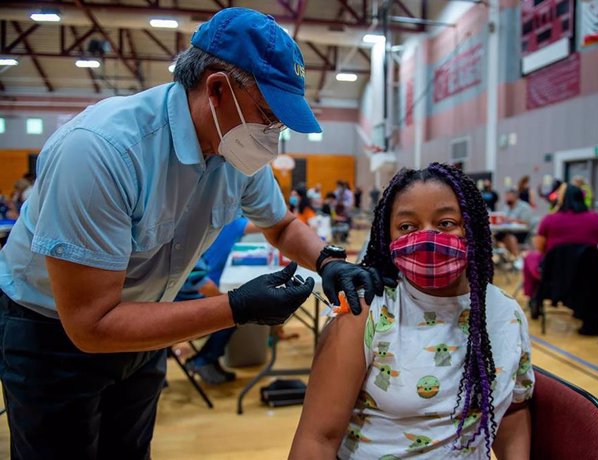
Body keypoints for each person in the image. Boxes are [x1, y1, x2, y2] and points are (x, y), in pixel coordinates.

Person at [0, 8, 384, 459]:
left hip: (145, 325)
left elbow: (280, 225)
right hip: (53, 335)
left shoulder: (234, 148)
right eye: (268, 115)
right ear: (218, 88)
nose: (272, 135)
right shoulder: (102, 151)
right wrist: (237, 308)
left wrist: (328, 259)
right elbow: (91, 325)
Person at [290, 163, 534, 459]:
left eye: (445, 223)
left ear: (473, 228)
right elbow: (318, 440)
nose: (427, 238)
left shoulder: (505, 313)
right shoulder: (365, 312)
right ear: (387, 236)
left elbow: (512, 408)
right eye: (407, 227)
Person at [182, 217, 259, 384]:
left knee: (238, 306)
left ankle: (209, 359)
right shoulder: (231, 223)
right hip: (188, 298)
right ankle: (203, 361)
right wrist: (229, 302)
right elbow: (201, 284)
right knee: (236, 312)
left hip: (196, 290)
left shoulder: (211, 223)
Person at [522, 185, 598, 331]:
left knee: (530, 258)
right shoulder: (595, 218)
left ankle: (534, 298)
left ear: (562, 200)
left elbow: (540, 248)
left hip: (555, 278)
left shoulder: (550, 220)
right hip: (588, 280)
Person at [494, 189, 534, 257]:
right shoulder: (505, 207)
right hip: (506, 231)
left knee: (510, 238)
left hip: (520, 232)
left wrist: (512, 220)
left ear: (515, 197)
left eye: (509, 196)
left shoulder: (524, 207)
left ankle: (516, 259)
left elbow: (526, 222)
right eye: (506, 196)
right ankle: (501, 258)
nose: (507, 198)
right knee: (492, 237)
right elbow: (503, 218)